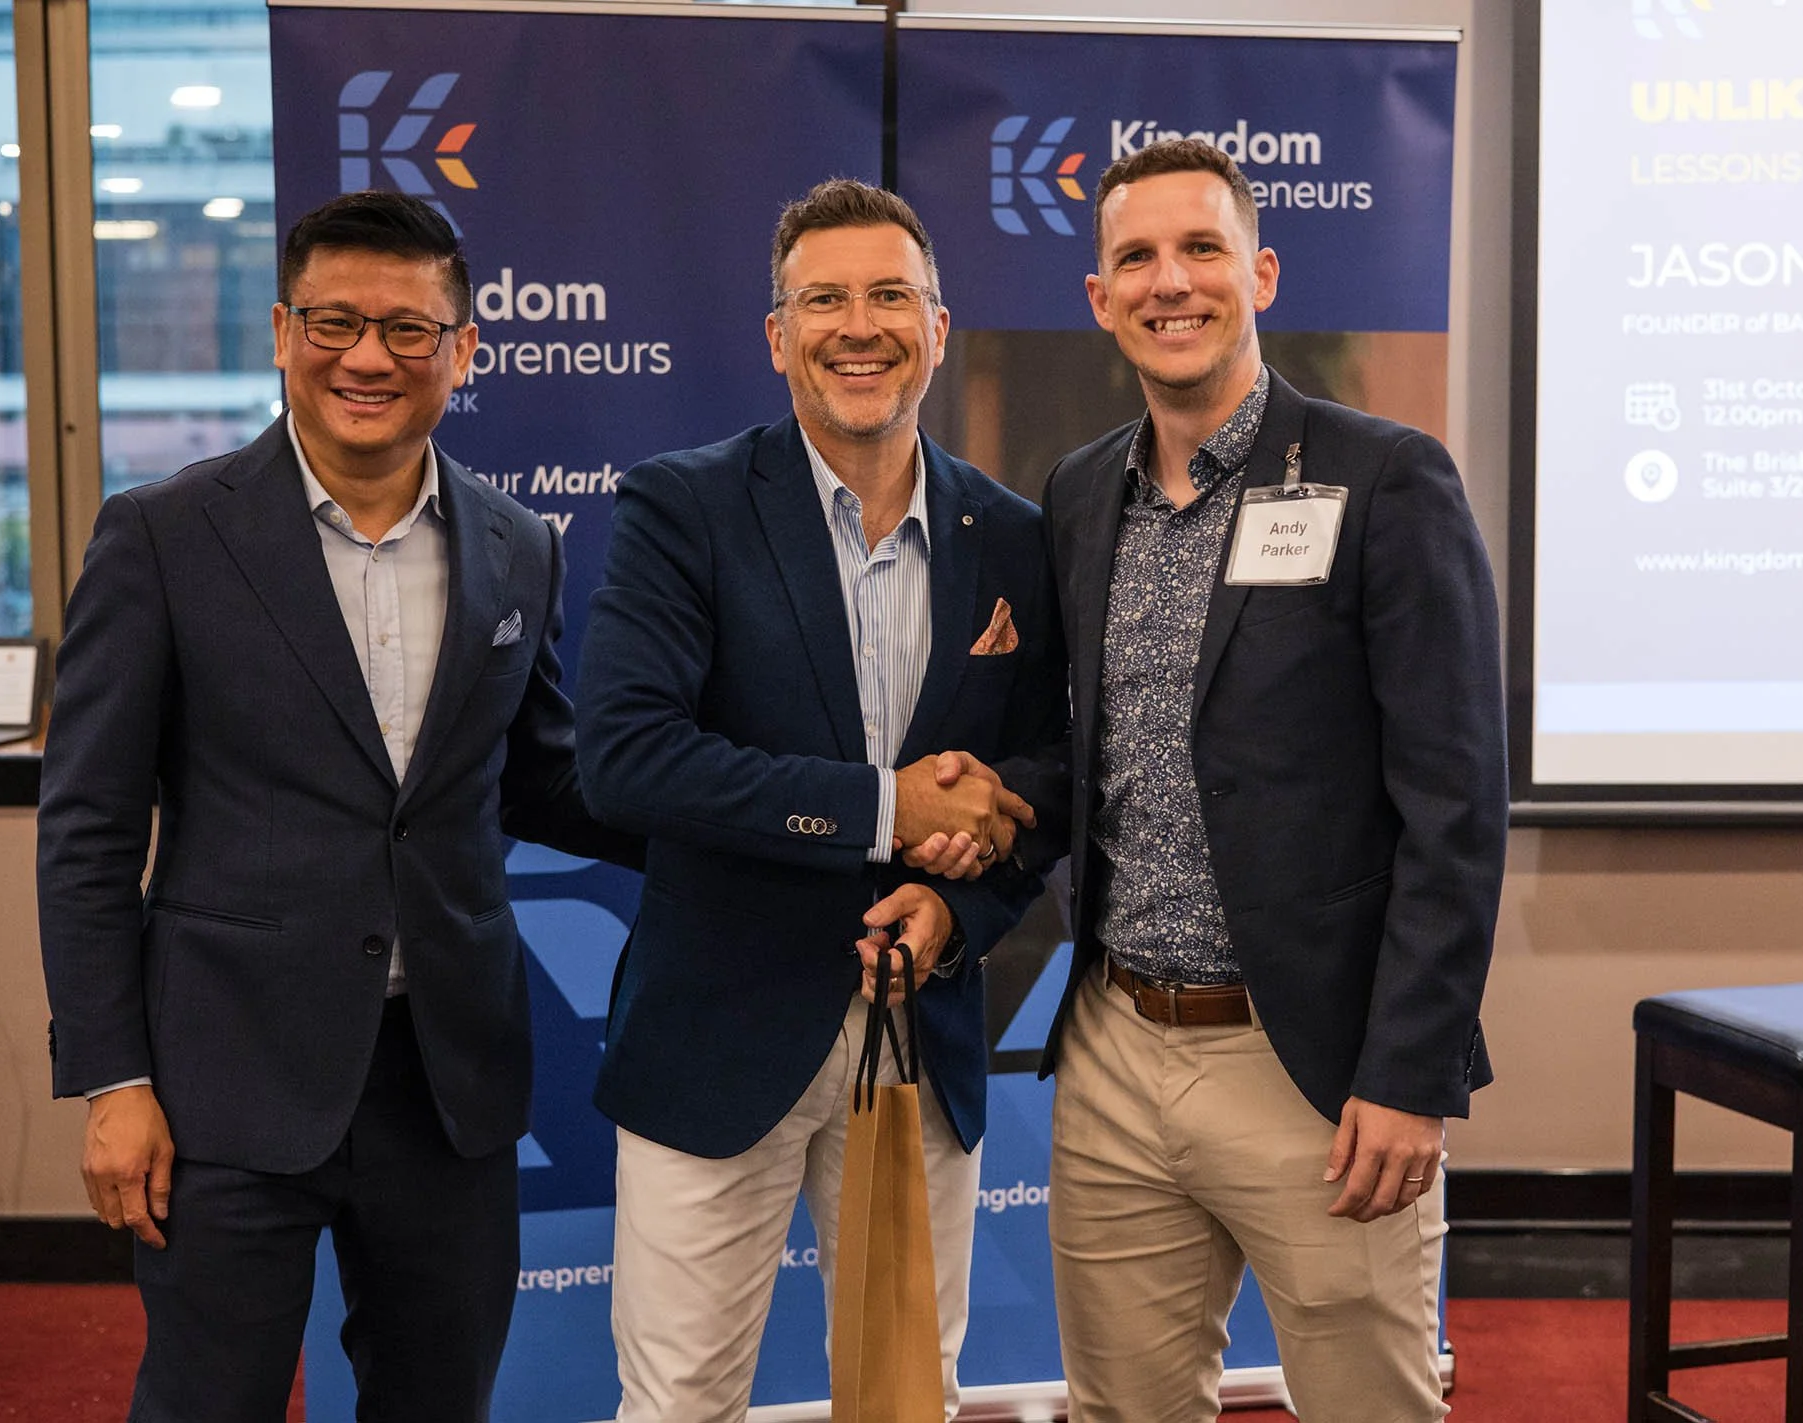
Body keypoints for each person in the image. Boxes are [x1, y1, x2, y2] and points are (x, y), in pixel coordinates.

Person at [36, 190, 641, 1423]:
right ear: (280, 330)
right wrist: (112, 1080)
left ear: (462, 351)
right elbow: (88, 829)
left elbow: (544, 778)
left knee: (438, 1400)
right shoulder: (160, 536)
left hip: (448, 1085)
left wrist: (747, 807)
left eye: (409, 329)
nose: (369, 356)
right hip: (222, 1085)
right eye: (336, 322)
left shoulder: (520, 543)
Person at [1030, 139, 1506, 1421]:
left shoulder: (1386, 479)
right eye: (1135, 256)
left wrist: (1410, 1071)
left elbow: (1455, 806)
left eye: (1201, 250)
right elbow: (1080, 758)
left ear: (1263, 274)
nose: (1169, 282)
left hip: (1317, 1061)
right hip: (1117, 1052)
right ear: (1098, 296)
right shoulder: (1079, 494)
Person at [571, 177, 1060, 1423]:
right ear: (777, 335)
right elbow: (625, 758)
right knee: (679, 1398)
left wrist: (966, 914)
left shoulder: (1008, 533)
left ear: (938, 327)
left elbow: (1045, 776)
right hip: (716, 1033)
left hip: (921, 1035)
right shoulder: (683, 506)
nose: (861, 325)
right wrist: (879, 810)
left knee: (909, 1394)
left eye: (890, 294)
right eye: (824, 299)